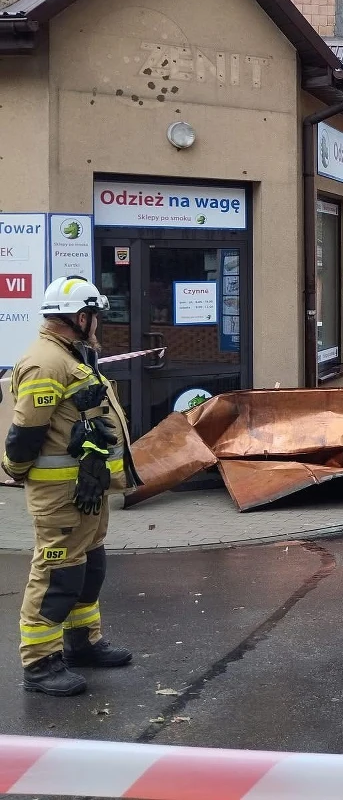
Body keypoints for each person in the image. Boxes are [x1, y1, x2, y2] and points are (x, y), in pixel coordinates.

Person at [3, 277, 139, 697]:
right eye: (95, 316)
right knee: (58, 571)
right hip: (60, 495)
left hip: (85, 489)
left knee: (88, 566)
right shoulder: (46, 361)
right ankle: (40, 664)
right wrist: (16, 470)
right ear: (80, 317)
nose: (98, 324)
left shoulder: (72, 356)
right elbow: (24, 436)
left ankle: (83, 643)